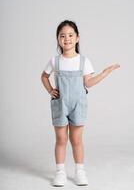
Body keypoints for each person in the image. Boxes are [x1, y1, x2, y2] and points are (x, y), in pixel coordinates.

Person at [41, 20, 120, 187]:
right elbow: (44, 76)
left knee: (76, 140)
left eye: (70, 35)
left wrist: (105, 73)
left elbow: (88, 83)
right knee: (61, 139)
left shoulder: (83, 61)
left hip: (78, 104)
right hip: (60, 104)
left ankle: (79, 171)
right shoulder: (55, 61)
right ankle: (60, 172)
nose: (67, 39)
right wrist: (50, 90)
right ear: (58, 39)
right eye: (62, 36)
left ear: (77, 38)